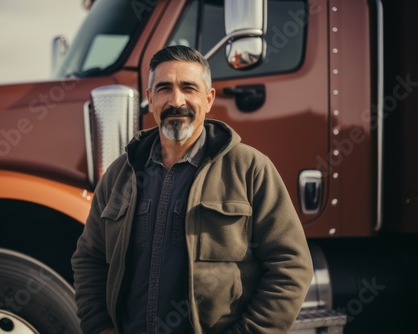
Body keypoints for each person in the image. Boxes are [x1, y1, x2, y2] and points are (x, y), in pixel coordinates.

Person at [71, 45, 314, 334]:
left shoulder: (250, 168)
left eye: (189, 88)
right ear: (150, 99)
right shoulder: (119, 175)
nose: (176, 101)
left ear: (209, 99)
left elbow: (291, 266)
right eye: (164, 89)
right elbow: (89, 259)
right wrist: (99, 326)